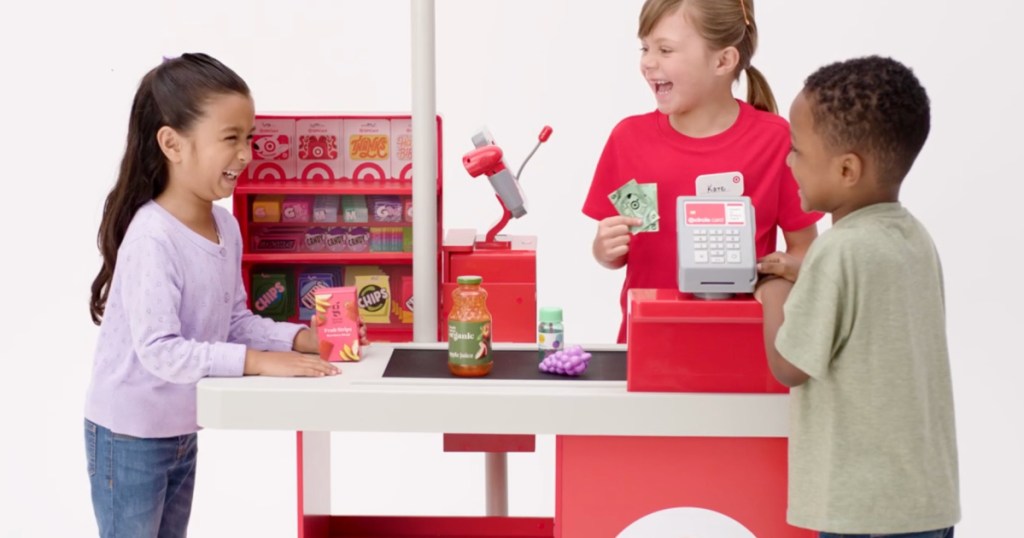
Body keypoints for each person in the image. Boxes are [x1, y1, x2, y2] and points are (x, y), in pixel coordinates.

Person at [84, 53, 339, 538]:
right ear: (172, 144)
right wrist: (257, 361)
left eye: (249, 139)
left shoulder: (225, 225)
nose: (246, 154)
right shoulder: (152, 238)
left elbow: (235, 320)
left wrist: (301, 338)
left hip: (179, 429)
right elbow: (160, 350)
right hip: (129, 433)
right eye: (230, 139)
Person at [757, 56, 960, 537]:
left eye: (797, 151)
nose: (789, 162)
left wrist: (773, 292)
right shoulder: (913, 238)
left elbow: (790, 365)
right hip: (926, 501)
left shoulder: (838, 250)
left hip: (860, 510)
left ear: (847, 168)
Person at [583, 0, 821, 342]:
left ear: (723, 60)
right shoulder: (628, 140)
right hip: (649, 341)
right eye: (645, 48)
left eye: (665, 49)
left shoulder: (775, 140)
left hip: (743, 344)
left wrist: (775, 283)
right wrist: (604, 250)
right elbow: (619, 251)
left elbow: (803, 249)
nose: (648, 62)